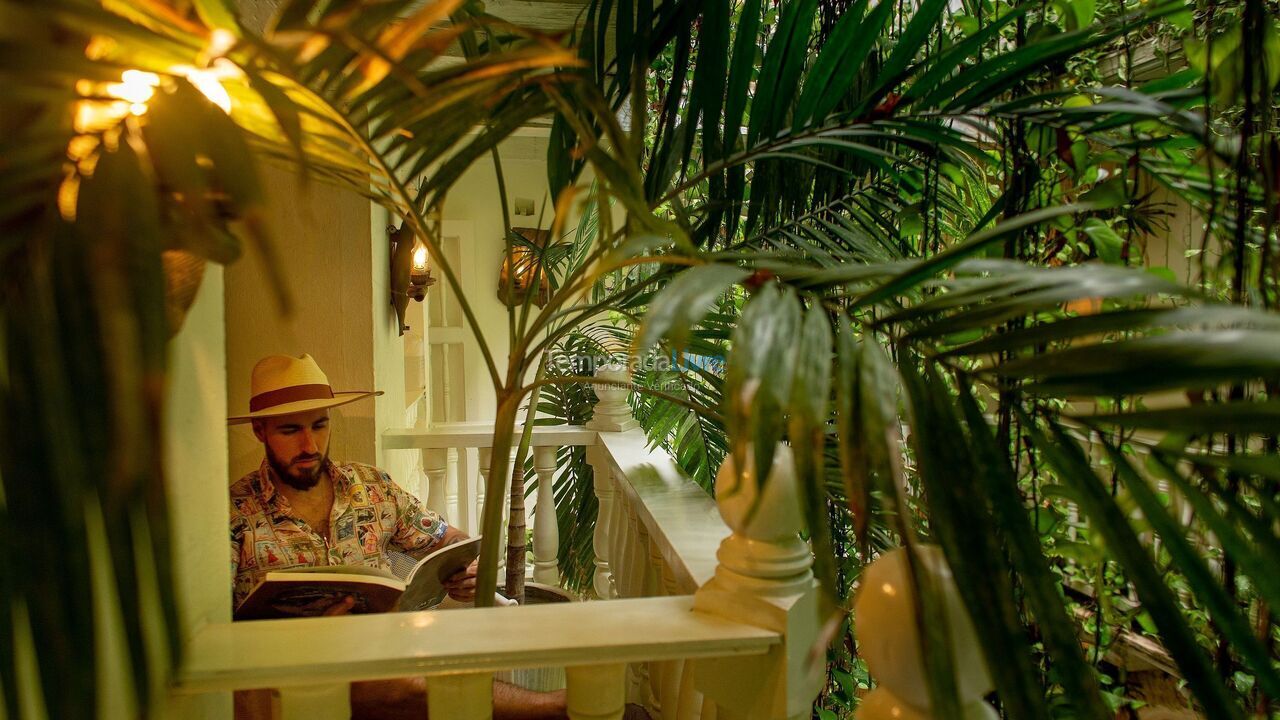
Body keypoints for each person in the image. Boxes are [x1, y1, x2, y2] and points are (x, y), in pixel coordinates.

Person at [228, 354, 567, 720]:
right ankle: (554, 708)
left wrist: (465, 566)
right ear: (260, 431)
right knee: (390, 681)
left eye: (320, 425)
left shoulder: (372, 487)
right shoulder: (235, 514)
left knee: (427, 663)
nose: (310, 445)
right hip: (292, 679)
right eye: (290, 430)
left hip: (384, 648)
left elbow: (445, 537)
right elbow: (214, 629)